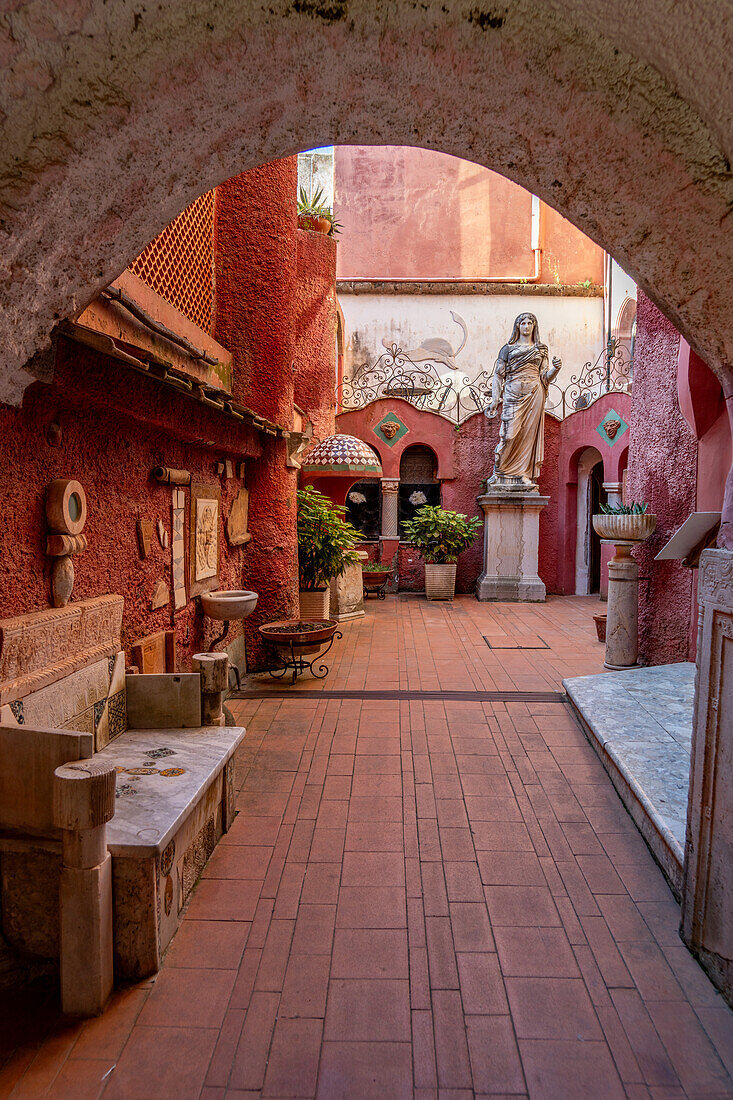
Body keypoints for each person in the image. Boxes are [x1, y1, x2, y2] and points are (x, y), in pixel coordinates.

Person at [486, 312, 561, 489]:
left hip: (535, 393)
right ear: (517, 326)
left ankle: (523, 474)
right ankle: (499, 473)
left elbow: (545, 377)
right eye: (523, 323)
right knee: (509, 434)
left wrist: (556, 370)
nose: (526, 326)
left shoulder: (541, 349)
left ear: (534, 326)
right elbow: (498, 375)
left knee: (528, 435)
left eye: (530, 323)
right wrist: (495, 399)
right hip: (512, 393)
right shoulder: (508, 349)